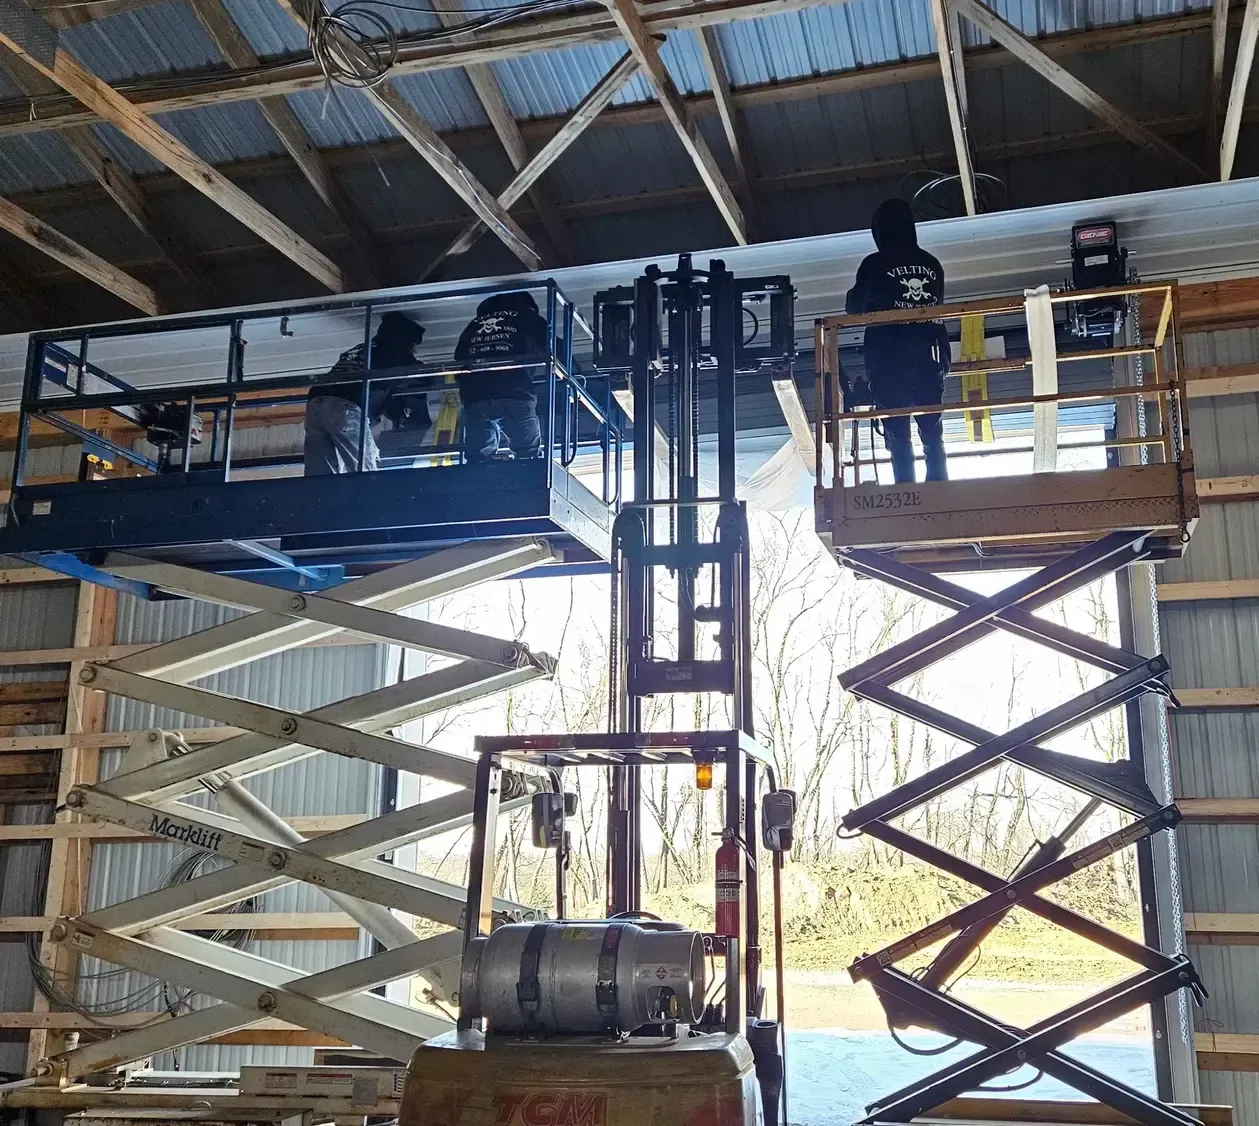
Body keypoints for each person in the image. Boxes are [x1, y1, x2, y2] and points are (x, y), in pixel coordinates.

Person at [845, 198, 950, 485]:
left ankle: (907, 489)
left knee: (897, 427)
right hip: (929, 355)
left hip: (889, 358)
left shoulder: (875, 263)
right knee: (932, 426)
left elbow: (855, 308)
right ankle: (939, 484)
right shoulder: (931, 263)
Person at [304, 311, 426, 475]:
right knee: (364, 470)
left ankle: (321, 499)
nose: (414, 349)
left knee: (321, 473)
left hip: (316, 404)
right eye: (413, 345)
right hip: (344, 407)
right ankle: (369, 499)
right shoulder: (395, 349)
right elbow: (421, 375)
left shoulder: (361, 349)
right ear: (405, 339)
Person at [454, 291, 547, 463]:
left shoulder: (473, 325)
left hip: (475, 396)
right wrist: (576, 376)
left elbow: (459, 358)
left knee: (478, 461)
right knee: (527, 456)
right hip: (515, 392)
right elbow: (553, 346)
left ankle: (479, 474)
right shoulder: (527, 317)